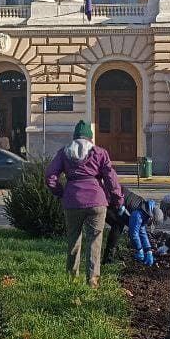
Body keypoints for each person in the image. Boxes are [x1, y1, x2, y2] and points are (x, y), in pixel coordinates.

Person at [45, 120, 124, 288]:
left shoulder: (64, 152)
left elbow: (50, 176)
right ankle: (92, 280)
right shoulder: (100, 153)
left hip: (72, 201)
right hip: (97, 201)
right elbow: (111, 178)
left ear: (74, 137)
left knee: (73, 239)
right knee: (95, 240)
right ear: (90, 137)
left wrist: (61, 192)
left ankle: (72, 278)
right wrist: (118, 200)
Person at [104, 189, 159, 267]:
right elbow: (133, 233)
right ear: (151, 217)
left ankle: (108, 258)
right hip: (108, 198)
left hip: (115, 200)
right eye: (151, 223)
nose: (149, 225)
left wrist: (148, 250)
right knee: (118, 224)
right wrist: (139, 249)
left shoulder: (145, 209)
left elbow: (142, 231)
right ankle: (107, 260)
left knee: (120, 223)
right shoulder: (139, 214)